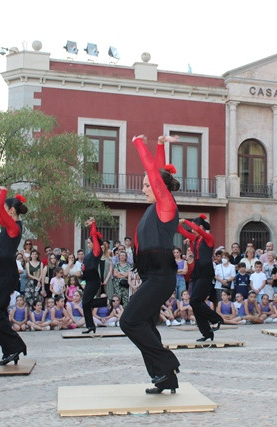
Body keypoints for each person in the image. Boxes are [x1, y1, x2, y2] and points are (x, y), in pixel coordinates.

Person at [119, 134, 181, 395]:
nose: (144, 188)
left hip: (161, 277)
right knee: (143, 324)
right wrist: (158, 145)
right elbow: (159, 172)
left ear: (158, 188)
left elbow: (154, 174)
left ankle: (167, 364)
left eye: (147, 185)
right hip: (152, 277)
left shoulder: (166, 206)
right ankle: (164, 378)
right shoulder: (154, 207)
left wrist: (138, 142)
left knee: (128, 322)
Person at [0, 187, 28, 366]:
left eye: (5, 208)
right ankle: (9, 350)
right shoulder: (7, 228)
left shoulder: (14, 228)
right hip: (2, 273)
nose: (1, 212)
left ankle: (16, 345)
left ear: (11, 210)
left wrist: (2, 191)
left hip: (7, 274)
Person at [178, 214, 223, 342]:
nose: (192, 230)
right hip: (197, 271)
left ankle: (216, 319)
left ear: (201, 227)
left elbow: (197, 230)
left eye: (195, 226)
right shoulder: (195, 239)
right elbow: (180, 231)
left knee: (195, 301)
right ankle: (207, 333)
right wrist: (180, 224)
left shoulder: (209, 238)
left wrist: (185, 220)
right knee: (196, 303)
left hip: (206, 271)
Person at [80, 217, 108, 334]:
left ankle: (105, 302)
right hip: (89, 280)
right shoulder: (89, 254)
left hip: (94, 281)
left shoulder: (97, 252)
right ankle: (91, 326)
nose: (88, 244)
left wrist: (93, 224)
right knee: (85, 304)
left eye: (89, 242)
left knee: (85, 303)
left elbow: (94, 235)